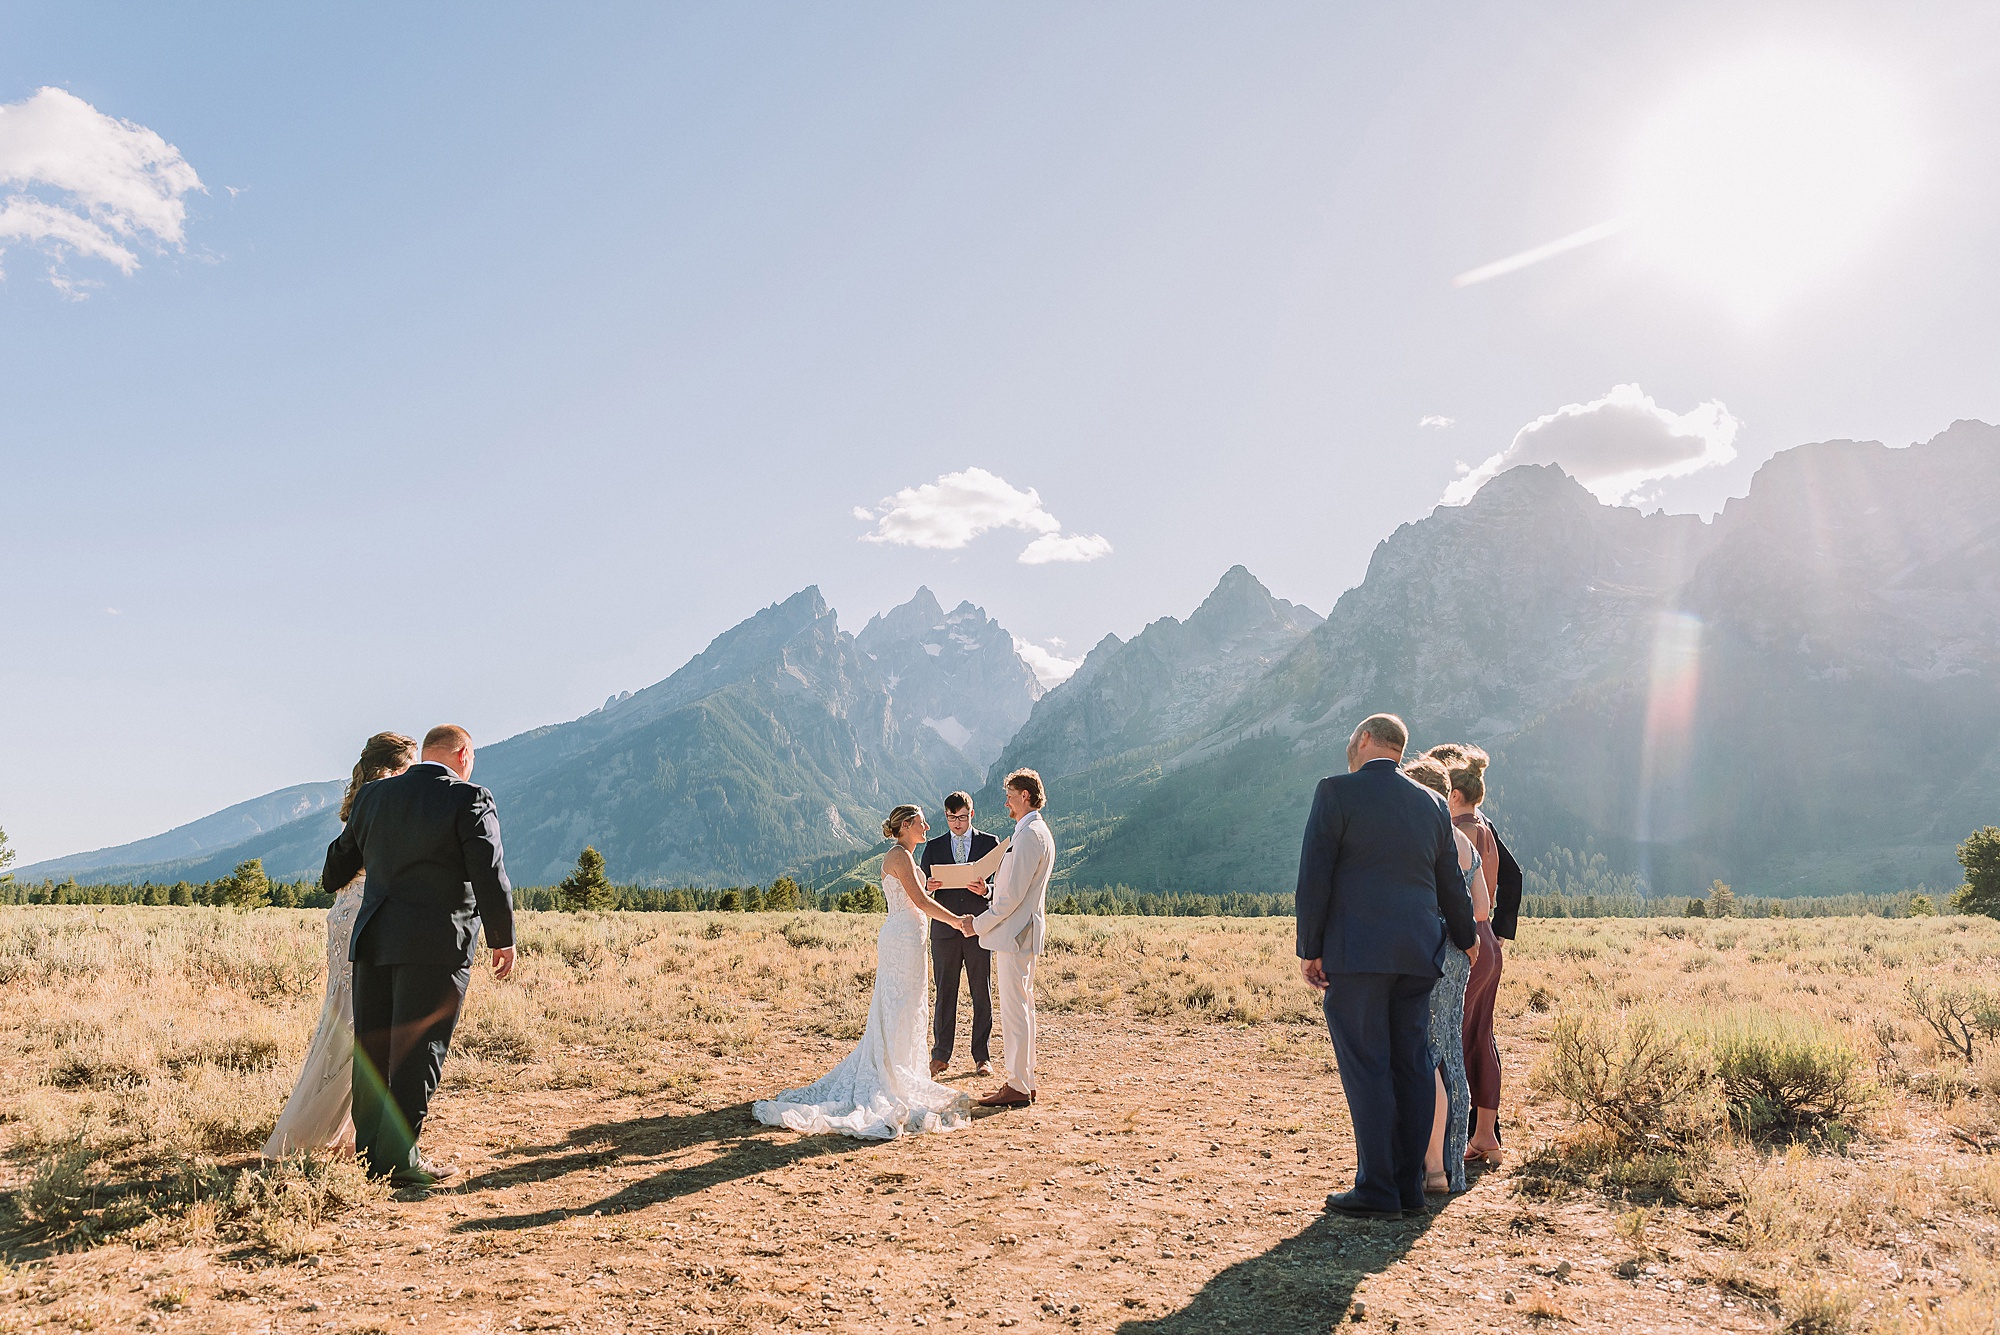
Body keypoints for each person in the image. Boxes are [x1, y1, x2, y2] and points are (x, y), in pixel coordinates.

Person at [1296, 714, 1477, 1220]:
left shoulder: (1335, 792)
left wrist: (1310, 948)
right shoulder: (1432, 804)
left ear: (1363, 740)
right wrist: (1467, 940)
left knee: (1367, 1066)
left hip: (1357, 955)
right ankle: (1408, 1189)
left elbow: (1315, 876)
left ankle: (1377, 1189)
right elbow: (1450, 883)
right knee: (1411, 1065)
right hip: (1417, 956)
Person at [321, 724, 517, 1186]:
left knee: (373, 1050)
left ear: (427, 752)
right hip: (436, 944)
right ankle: (401, 1161)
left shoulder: (373, 797)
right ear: (463, 755)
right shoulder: (470, 798)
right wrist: (502, 936)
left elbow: (334, 871)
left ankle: (372, 1158)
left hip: (374, 940)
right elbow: (488, 872)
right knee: (421, 1050)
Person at [755, 805, 975, 1138]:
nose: (927, 826)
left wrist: (928, 887)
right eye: (921, 822)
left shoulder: (905, 857)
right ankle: (892, 1073)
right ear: (905, 826)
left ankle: (900, 1067)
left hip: (909, 940)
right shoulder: (899, 855)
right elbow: (920, 902)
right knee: (897, 1006)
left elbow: (915, 896)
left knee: (908, 1007)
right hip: (902, 941)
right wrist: (957, 921)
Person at [264, 731, 417, 1158]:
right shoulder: (383, 802)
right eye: (411, 766)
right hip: (366, 918)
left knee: (347, 1018)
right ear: (397, 767)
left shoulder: (362, 802)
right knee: (359, 1022)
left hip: (349, 913)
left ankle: (346, 1128)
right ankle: (327, 1129)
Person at [1400, 756, 1482, 1194]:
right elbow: (1481, 907)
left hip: (1429, 949)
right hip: (1461, 954)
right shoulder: (1465, 843)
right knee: (1452, 1051)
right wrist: (1465, 937)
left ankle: (1429, 1164)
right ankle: (1453, 1166)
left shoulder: (1425, 837)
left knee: (1424, 1052)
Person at [965, 769, 1055, 1109]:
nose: (1007, 803)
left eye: (1011, 796)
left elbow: (1014, 896)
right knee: (1023, 1008)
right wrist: (988, 890)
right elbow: (1016, 888)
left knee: (1015, 1011)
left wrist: (978, 924)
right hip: (1022, 931)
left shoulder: (1030, 834)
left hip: (1015, 934)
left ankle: (1017, 1084)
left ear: (1025, 796)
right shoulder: (1035, 832)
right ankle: (1025, 1080)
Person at [1441, 746, 1505, 1165]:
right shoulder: (1485, 828)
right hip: (1490, 939)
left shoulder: (1457, 832)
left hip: (1467, 940)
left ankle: (1448, 1141)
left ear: (1455, 795)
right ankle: (1485, 1137)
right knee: (1481, 1036)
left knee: (1453, 1039)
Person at [921, 791, 1000, 1077]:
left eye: (962, 817)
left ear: (972, 814)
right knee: (945, 993)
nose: (957, 823)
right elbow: (921, 889)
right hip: (945, 931)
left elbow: (1004, 888)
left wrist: (987, 890)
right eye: (951, 818)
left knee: (982, 993)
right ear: (945, 816)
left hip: (979, 928)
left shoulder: (990, 843)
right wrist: (929, 886)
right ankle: (940, 1055)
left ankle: (982, 1057)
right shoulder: (933, 847)